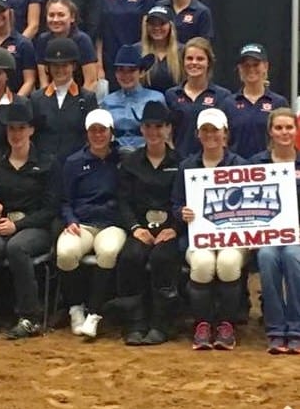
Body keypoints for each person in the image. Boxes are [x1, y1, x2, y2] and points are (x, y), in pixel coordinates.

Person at [0, 101, 56, 340]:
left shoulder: (47, 162)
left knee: (17, 247)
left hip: (35, 227)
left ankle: (30, 317)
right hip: (1, 223)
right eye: (11, 129)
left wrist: (17, 226)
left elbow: (50, 209)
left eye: (21, 128)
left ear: (31, 130)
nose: (16, 134)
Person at [171, 108, 247, 350]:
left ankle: (227, 324)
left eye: (215, 130)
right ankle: (202, 324)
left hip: (233, 239)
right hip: (199, 237)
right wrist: (181, 213)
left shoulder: (240, 166)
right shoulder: (187, 166)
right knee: (202, 264)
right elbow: (175, 203)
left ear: (225, 134)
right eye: (205, 130)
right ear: (197, 134)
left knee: (227, 263)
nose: (210, 135)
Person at [111, 101, 181, 345]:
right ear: (141, 129)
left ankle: (163, 324)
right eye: (148, 126)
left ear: (168, 129)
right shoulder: (130, 163)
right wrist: (135, 228)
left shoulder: (180, 162)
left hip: (170, 231)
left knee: (163, 259)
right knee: (130, 257)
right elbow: (123, 202)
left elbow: (184, 200)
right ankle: (134, 323)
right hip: (140, 229)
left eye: (158, 126)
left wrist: (175, 228)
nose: (153, 132)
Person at [56, 108, 125, 340]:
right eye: (93, 131)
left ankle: (94, 314)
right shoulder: (74, 162)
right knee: (66, 253)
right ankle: (76, 308)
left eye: (102, 130)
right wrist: (71, 220)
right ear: (86, 133)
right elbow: (65, 200)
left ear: (111, 132)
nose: (98, 135)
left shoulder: (124, 159)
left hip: (112, 224)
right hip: (82, 223)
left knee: (108, 252)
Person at [251, 108, 300, 353]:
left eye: (289, 127)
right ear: (270, 131)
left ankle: (296, 328)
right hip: (267, 234)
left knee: (293, 257)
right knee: (267, 257)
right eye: (279, 128)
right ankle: (275, 328)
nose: (284, 132)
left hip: (297, 235)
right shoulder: (256, 163)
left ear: (296, 130)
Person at [31, 37, 97, 161]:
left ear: (73, 66)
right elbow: (34, 136)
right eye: (55, 65)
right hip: (45, 167)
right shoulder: (36, 99)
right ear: (48, 67)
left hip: (76, 165)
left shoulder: (87, 98)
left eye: (64, 65)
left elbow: (90, 137)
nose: (60, 70)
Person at [98, 0, 155, 89]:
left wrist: (143, 61)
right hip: (109, 61)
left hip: (135, 61)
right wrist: (98, 66)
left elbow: (146, 30)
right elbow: (98, 34)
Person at [165, 37, 231, 158]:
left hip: (211, 163)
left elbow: (226, 136)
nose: (194, 62)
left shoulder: (223, 96)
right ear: (183, 62)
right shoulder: (171, 95)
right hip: (179, 162)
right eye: (189, 58)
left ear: (209, 62)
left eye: (200, 59)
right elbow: (167, 134)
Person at [221, 43, 288, 159]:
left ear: (266, 66)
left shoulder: (279, 103)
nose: (251, 69)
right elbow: (222, 141)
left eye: (256, 64)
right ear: (240, 68)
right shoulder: (228, 104)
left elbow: (287, 139)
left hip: (270, 169)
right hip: (236, 170)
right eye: (246, 65)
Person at [101, 45, 164, 152]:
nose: (126, 75)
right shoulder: (107, 101)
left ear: (141, 72)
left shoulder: (156, 99)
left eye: (131, 70)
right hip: (115, 155)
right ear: (116, 74)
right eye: (121, 70)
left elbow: (164, 133)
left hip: (147, 155)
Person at [35, 0, 97, 92]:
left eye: (61, 15)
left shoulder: (82, 40)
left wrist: (79, 104)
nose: (55, 20)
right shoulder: (43, 40)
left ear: (72, 17)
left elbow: (91, 81)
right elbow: (43, 81)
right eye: (51, 15)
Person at [135, 5, 184, 93]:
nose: (157, 27)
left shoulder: (182, 51)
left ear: (170, 26)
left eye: (162, 23)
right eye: (152, 24)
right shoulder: (136, 51)